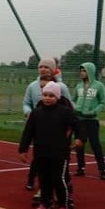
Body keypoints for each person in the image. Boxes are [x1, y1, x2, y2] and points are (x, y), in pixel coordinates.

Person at [19, 83, 84, 209]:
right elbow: (28, 132)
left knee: (59, 180)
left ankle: (63, 207)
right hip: (41, 152)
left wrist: (80, 138)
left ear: (57, 96)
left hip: (59, 153)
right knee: (44, 180)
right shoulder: (36, 113)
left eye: (51, 95)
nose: (47, 98)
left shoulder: (65, 112)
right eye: (45, 95)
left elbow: (78, 125)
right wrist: (23, 149)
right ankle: (45, 204)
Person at [22, 57, 71, 189]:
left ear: (53, 69)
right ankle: (32, 180)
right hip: (38, 127)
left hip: (56, 130)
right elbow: (26, 102)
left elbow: (69, 106)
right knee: (39, 156)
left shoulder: (61, 87)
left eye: (47, 67)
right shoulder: (32, 86)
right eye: (41, 67)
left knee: (58, 160)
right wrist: (28, 112)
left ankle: (64, 187)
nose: (43, 69)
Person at [73, 62, 105, 179]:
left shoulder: (99, 86)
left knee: (95, 144)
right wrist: (75, 108)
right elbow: (73, 100)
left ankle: (102, 169)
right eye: (81, 70)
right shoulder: (78, 86)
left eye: (84, 70)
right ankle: (80, 168)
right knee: (79, 145)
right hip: (79, 120)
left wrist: (93, 112)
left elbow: (103, 103)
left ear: (90, 72)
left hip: (92, 120)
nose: (81, 73)